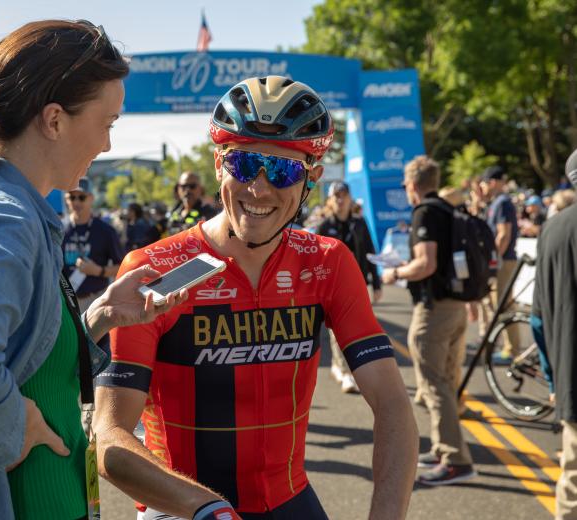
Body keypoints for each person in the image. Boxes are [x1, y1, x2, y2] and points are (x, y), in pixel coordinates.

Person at [0, 20, 186, 520]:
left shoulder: (12, 210)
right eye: (107, 123)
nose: (107, 145)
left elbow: (21, 358)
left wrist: (100, 317)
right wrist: (14, 427)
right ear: (54, 120)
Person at [94, 75, 417, 519]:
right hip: (181, 509)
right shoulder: (155, 269)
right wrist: (208, 509)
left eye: (283, 170)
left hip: (287, 500)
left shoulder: (326, 263)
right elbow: (108, 435)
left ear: (313, 180)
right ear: (217, 166)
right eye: (244, 165)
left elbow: (392, 403)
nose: (259, 189)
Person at [381, 155, 476, 486]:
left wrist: (395, 272)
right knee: (446, 382)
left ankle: (455, 459)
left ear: (412, 185)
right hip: (456, 307)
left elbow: (425, 264)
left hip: (434, 311)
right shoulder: (450, 209)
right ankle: (442, 448)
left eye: (406, 185)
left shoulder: (425, 212)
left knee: (434, 384)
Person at [535, 148, 577, 519]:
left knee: (574, 482)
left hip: (571, 376)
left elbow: (538, 317)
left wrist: (552, 377)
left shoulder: (553, 228)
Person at [317, 180, 381, 394]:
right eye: (336, 196)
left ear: (350, 198)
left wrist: (377, 284)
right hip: (333, 287)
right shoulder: (324, 226)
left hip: (358, 284)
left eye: (343, 195)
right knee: (338, 330)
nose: (340, 199)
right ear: (330, 200)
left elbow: (370, 252)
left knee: (359, 328)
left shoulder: (359, 223)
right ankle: (345, 372)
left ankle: (339, 366)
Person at [62, 177, 125, 311]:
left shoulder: (105, 231)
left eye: (81, 197)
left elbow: (121, 267)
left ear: (91, 198)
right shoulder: (59, 229)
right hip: (65, 301)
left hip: (96, 299)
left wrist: (99, 271)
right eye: (72, 197)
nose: (76, 202)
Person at [480, 165, 520, 363]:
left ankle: (512, 350)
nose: (483, 188)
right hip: (503, 261)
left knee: (503, 306)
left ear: (492, 182)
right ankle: (510, 348)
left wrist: (492, 262)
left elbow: (503, 235)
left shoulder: (502, 202)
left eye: (484, 184)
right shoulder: (498, 202)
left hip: (503, 262)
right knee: (502, 306)